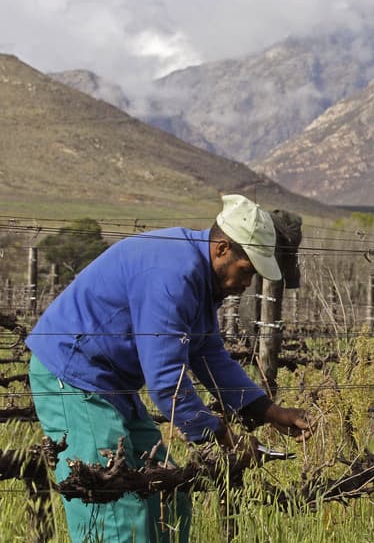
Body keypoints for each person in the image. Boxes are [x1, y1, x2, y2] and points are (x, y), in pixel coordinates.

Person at [26, 194, 312, 542]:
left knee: (167, 489)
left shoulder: (199, 276)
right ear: (222, 248)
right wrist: (222, 436)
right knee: (112, 504)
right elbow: (166, 383)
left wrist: (270, 412)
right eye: (247, 271)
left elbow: (208, 354)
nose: (247, 284)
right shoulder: (174, 275)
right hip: (73, 374)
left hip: (111, 383)